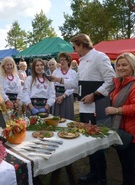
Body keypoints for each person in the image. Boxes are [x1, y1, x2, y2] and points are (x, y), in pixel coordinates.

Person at [50, 34, 115, 185]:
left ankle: (102, 177)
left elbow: (111, 80)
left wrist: (95, 95)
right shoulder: (82, 61)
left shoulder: (99, 56)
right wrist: (58, 79)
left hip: (97, 105)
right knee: (89, 139)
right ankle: (93, 173)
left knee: (97, 141)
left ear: (81, 45)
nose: (74, 50)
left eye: (74, 47)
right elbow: (75, 82)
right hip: (85, 106)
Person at [104, 52, 135, 185]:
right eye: (118, 65)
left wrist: (117, 110)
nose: (120, 68)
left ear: (133, 66)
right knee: (124, 164)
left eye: (124, 65)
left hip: (132, 132)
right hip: (121, 129)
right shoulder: (119, 82)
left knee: (128, 166)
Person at [51, 52, 76, 120]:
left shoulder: (73, 73)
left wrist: (63, 96)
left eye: (63, 60)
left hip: (67, 96)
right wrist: (55, 96)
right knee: (56, 116)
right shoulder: (55, 72)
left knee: (66, 115)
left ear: (68, 61)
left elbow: (72, 86)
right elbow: (51, 85)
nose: (61, 62)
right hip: (56, 96)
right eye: (60, 60)